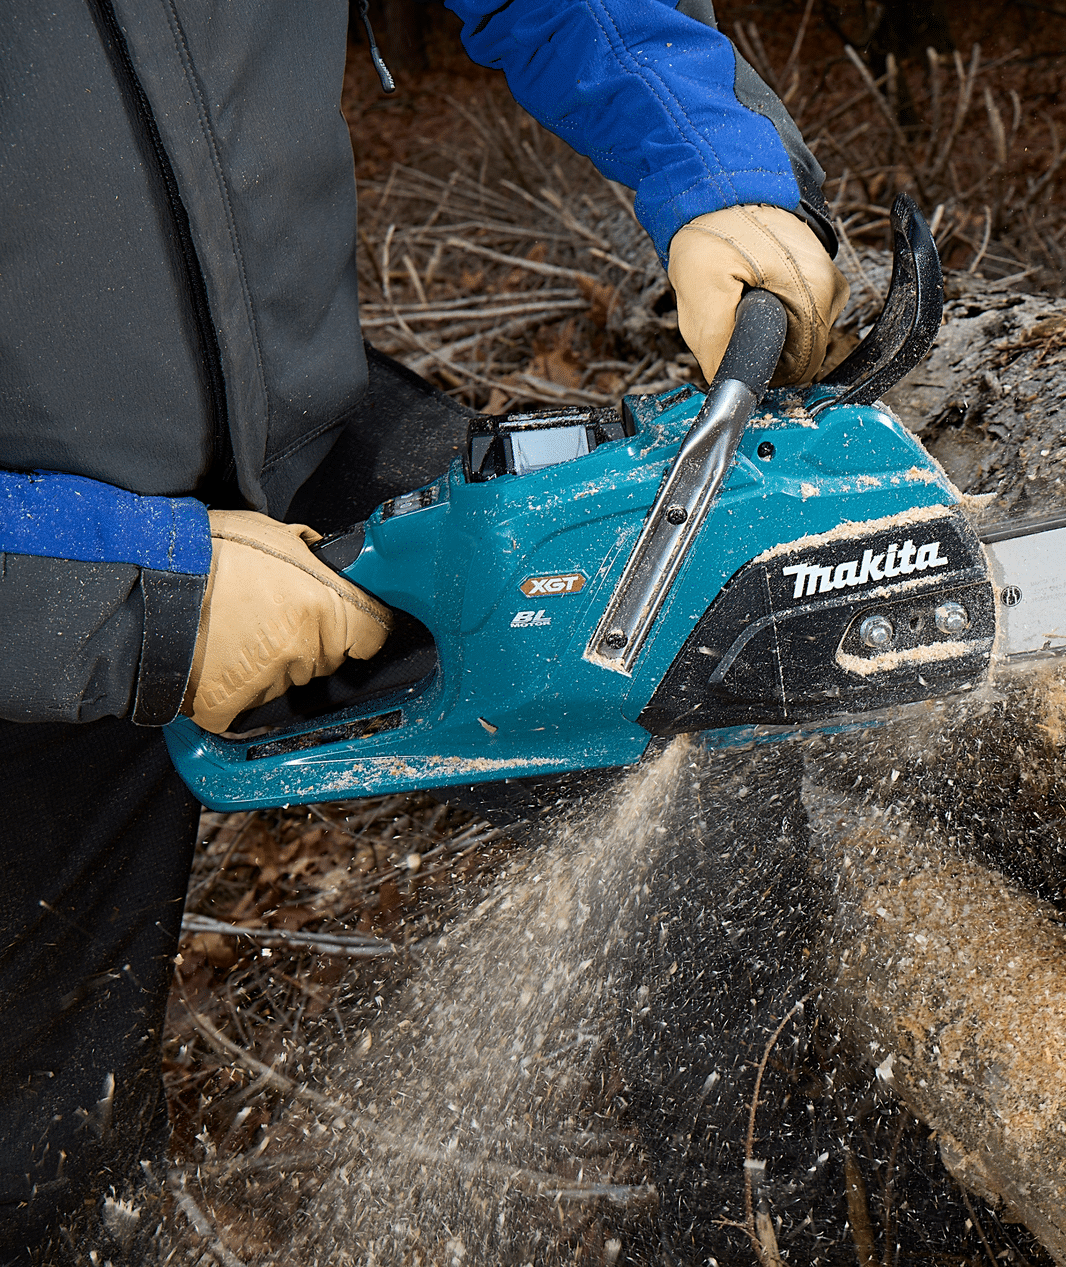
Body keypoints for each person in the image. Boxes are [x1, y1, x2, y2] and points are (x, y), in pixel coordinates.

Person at [0, 1, 846, 1259]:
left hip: (297, 455)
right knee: (38, 1156)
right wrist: (98, 580)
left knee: (704, 737)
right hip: (30, 571)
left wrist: (709, 165)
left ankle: (774, 1225)